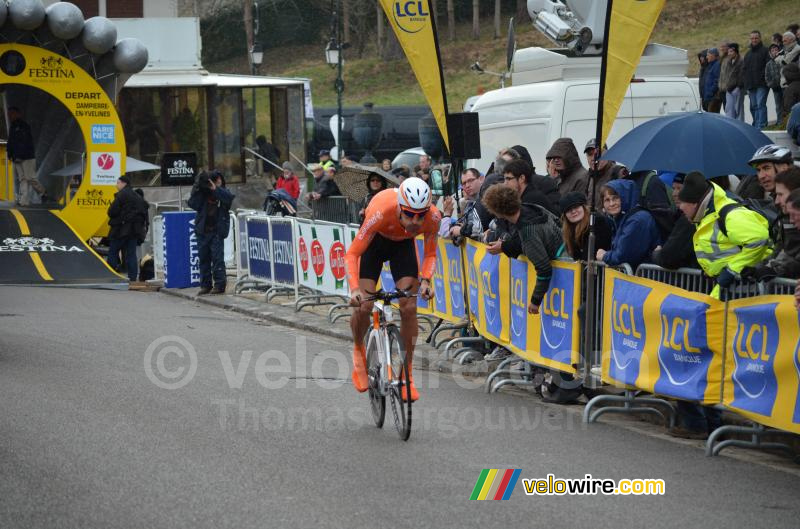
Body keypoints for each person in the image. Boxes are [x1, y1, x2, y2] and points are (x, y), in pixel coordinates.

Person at [345, 178, 439, 401]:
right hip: (374, 244)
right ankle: (358, 349)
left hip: (402, 248)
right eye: (409, 214)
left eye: (420, 215)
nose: (415, 221)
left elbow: (431, 254)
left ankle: (406, 374)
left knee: (408, 307)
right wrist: (354, 289)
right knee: (364, 306)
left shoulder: (433, 217)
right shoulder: (380, 211)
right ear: (399, 206)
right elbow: (352, 254)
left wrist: (426, 281)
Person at [677, 171, 772, 299]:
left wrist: (732, 270)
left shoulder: (731, 215)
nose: (680, 208)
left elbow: (758, 239)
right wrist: (712, 270)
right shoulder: (705, 216)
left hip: (750, 290)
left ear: (694, 203)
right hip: (733, 289)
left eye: (683, 204)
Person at [482, 185, 563, 315]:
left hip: (565, 269)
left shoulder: (527, 231)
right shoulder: (533, 208)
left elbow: (544, 269)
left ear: (497, 212)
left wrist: (535, 301)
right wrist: (504, 246)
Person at [745, 167, 800, 280]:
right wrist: (760, 268)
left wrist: (772, 269)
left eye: (780, 194)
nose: (776, 201)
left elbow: (794, 255)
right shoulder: (783, 217)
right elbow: (782, 249)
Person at [596, 179, 661, 270]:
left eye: (615, 198)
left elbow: (623, 255)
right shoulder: (622, 218)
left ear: (624, 197)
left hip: (645, 278)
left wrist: (604, 256)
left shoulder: (636, 220)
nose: (611, 203)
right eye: (607, 200)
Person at [188, 170, 234, 295]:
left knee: (217, 259)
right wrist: (197, 187)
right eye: (214, 180)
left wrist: (216, 189)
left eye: (218, 180)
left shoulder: (224, 193)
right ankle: (205, 285)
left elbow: (229, 199)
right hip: (203, 231)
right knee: (203, 259)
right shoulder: (203, 193)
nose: (216, 182)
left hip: (216, 231)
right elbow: (192, 204)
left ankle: (219, 285)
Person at [651, 174, 700, 269]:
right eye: (674, 188)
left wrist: (657, 253)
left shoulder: (689, 219)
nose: (674, 193)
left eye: (679, 188)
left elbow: (668, 258)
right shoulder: (679, 216)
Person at [106, 175, 147, 282]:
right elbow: (144, 210)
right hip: (134, 231)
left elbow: (111, 212)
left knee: (113, 252)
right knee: (131, 254)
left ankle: (111, 275)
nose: (116, 185)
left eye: (118, 182)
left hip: (120, 229)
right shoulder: (137, 196)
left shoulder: (121, 195)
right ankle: (132, 277)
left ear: (124, 183)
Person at [8, 106, 48, 206]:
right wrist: (10, 154)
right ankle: (24, 201)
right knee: (22, 179)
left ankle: (43, 192)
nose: (10, 116)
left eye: (12, 114)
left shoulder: (24, 126)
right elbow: (11, 142)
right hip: (17, 157)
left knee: (30, 178)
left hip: (27, 156)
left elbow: (25, 142)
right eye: (9, 114)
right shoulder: (12, 126)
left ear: (18, 114)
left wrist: (19, 155)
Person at [559, 191, 612, 261]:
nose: (573, 211)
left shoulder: (597, 222)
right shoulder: (569, 230)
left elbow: (591, 255)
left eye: (576, 207)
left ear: (584, 207)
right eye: (568, 210)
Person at [439, 168, 484, 242]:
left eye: (470, 180)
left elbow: (476, 230)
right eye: (464, 183)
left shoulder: (485, 202)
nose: (467, 185)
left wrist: (447, 214)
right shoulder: (469, 205)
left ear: (481, 179)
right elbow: (448, 233)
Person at [584, 138, 629, 209]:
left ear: (607, 153)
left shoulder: (618, 172)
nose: (593, 158)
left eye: (598, 153)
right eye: (590, 154)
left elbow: (626, 204)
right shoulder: (587, 177)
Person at [743, 31, 771, 129]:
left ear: (760, 38)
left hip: (762, 84)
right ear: (750, 39)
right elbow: (744, 70)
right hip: (751, 85)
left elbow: (768, 67)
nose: (754, 40)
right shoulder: (748, 54)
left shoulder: (766, 51)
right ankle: (756, 126)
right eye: (752, 38)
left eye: (756, 38)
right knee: (754, 106)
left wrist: (764, 79)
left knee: (760, 104)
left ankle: (762, 126)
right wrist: (746, 84)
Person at [723, 43, 745, 121]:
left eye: (731, 51)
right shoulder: (728, 62)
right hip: (729, 89)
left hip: (737, 89)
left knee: (739, 109)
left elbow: (742, 75)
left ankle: (741, 126)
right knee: (729, 109)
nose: (729, 53)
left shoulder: (741, 61)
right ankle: (731, 126)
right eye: (728, 52)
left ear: (736, 51)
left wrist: (738, 87)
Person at [766, 44, 785, 123]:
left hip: (784, 86)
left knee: (786, 103)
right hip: (775, 88)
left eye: (776, 50)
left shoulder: (783, 59)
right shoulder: (768, 64)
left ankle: (787, 120)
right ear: (770, 53)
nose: (774, 52)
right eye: (772, 51)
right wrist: (771, 85)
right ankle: (780, 121)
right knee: (778, 105)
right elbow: (767, 77)